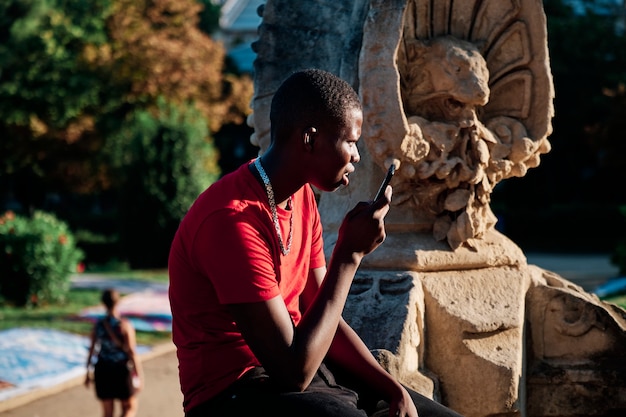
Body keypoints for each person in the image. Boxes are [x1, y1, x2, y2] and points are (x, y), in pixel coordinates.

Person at [168, 68, 464, 417]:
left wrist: (392, 387)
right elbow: (292, 372)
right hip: (235, 392)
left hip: (306, 370)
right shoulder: (232, 220)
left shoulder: (301, 197)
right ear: (310, 139)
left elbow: (325, 317)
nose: (357, 155)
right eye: (350, 141)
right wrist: (349, 255)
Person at [85, 288, 143, 417]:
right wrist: (138, 374)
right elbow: (131, 351)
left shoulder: (99, 325)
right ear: (118, 302)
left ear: (103, 303)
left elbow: (92, 350)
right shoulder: (124, 325)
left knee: (107, 413)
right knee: (129, 407)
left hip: (102, 370)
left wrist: (87, 372)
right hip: (121, 369)